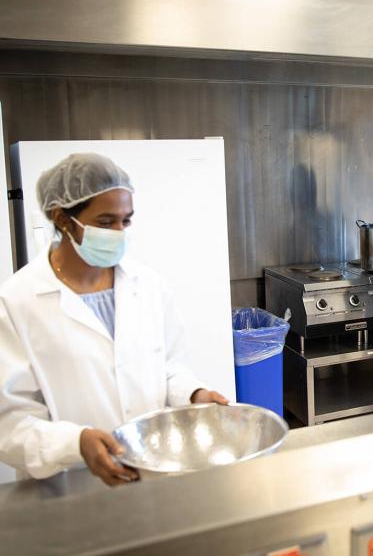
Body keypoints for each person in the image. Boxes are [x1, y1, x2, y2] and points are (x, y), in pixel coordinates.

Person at [0, 153, 228, 486]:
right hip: (69, 486)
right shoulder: (16, 302)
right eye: (106, 223)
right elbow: (10, 421)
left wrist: (193, 395)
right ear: (62, 219)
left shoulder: (147, 285)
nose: (119, 232)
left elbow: (169, 366)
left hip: (152, 470)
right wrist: (75, 443)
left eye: (126, 221)